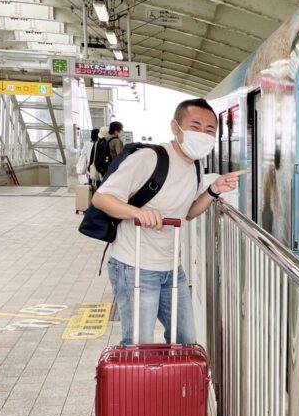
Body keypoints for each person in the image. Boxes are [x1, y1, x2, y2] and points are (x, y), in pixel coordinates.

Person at [92, 98, 247, 345]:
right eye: (195, 126)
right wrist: (137, 212)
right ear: (175, 127)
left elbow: (187, 212)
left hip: (171, 269)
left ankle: (175, 384)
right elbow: (101, 198)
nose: (203, 134)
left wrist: (214, 190)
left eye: (210, 130)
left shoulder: (195, 166)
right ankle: (135, 384)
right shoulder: (149, 158)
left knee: (186, 342)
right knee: (137, 346)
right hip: (135, 267)